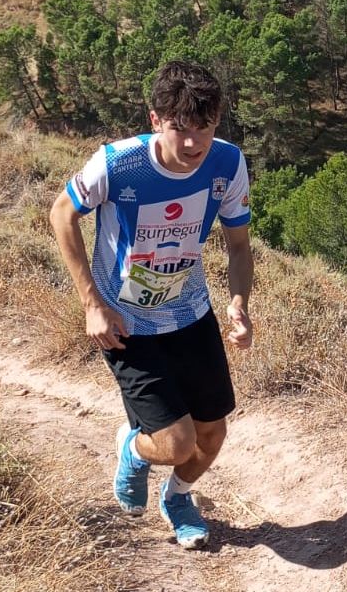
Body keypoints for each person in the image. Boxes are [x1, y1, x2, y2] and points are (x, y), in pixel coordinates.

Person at [49, 60, 253, 550]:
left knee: (211, 436)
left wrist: (239, 303)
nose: (193, 143)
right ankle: (134, 448)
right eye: (180, 128)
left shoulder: (228, 164)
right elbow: (61, 214)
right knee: (176, 442)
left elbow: (239, 246)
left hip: (190, 313)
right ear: (156, 119)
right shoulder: (117, 163)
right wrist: (92, 304)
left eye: (204, 127)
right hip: (127, 322)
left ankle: (178, 498)